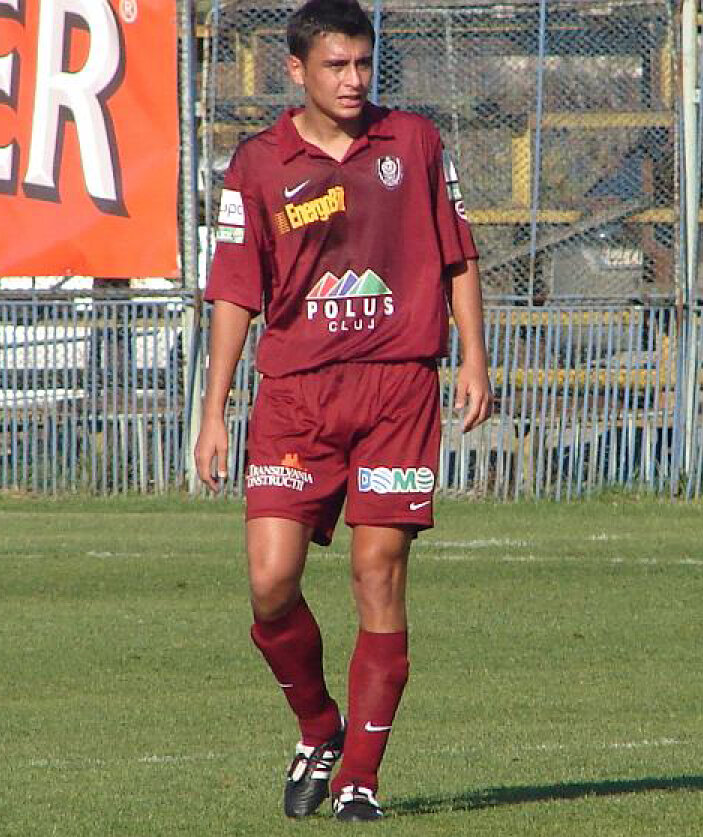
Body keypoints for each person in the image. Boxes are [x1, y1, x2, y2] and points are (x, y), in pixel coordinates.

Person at [193, 0, 492, 822]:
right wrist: (214, 408)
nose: (354, 79)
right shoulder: (257, 163)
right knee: (269, 579)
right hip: (294, 396)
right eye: (336, 65)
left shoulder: (416, 143)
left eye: (363, 63)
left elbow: (459, 254)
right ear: (297, 70)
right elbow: (232, 290)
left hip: (397, 385)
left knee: (376, 575)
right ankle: (318, 726)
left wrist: (473, 357)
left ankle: (361, 774)